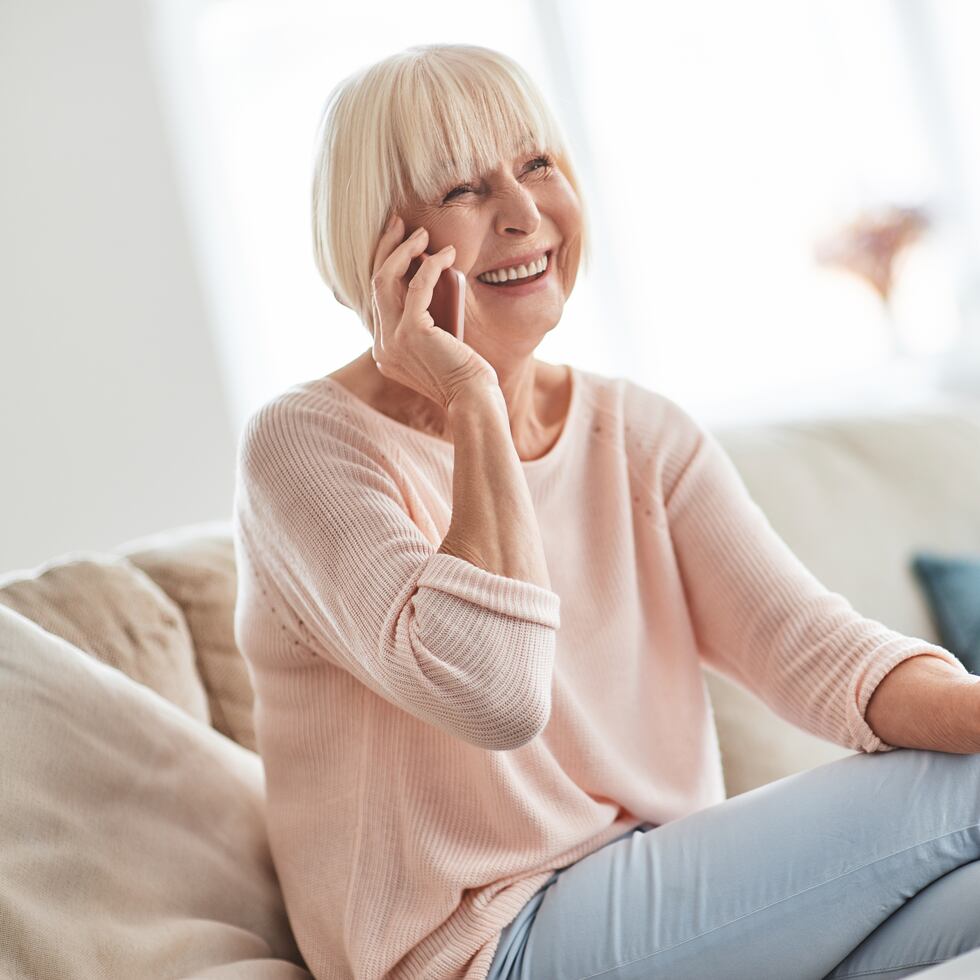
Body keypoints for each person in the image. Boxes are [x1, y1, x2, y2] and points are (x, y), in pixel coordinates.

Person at [231, 43, 980, 980]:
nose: (522, 213)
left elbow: (816, 653)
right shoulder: (305, 450)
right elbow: (498, 695)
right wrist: (473, 399)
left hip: (680, 919)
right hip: (487, 947)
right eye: (465, 189)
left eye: (537, 164)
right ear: (383, 246)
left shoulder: (637, 433)